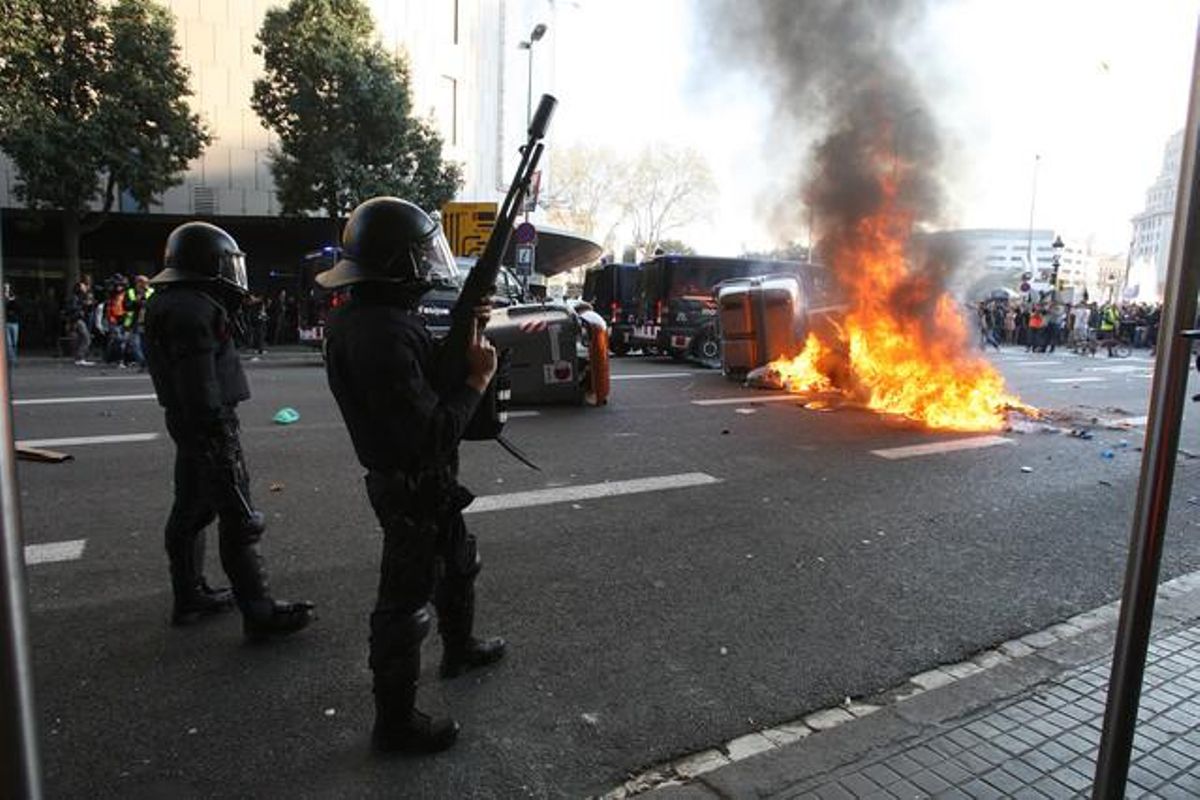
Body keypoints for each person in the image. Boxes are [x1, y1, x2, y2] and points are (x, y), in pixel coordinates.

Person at [320, 197, 506, 754]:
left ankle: (460, 646)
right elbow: (430, 434)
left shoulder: (373, 318)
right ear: (398, 263)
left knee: (458, 561)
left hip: (424, 483)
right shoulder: (382, 333)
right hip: (409, 483)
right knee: (404, 601)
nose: (428, 266)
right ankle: (394, 723)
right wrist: (477, 380)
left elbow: (426, 379)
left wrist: (463, 332)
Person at [144, 221, 315, 637]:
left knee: (191, 509)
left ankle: (190, 596)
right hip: (209, 424)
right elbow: (199, 383)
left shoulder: (171, 302)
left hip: (191, 423)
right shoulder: (194, 309)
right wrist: (217, 439)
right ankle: (259, 613)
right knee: (238, 516)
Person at [4, 283, 18, 366]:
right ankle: (11, 359)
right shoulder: (3, 298)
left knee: (14, 343)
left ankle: (13, 358)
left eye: (8, 288)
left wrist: (12, 300)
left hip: (15, 322)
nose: (7, 290)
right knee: (9, 343)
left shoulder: (14, 297)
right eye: (5, 288)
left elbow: (18, 308)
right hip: (6, 322)